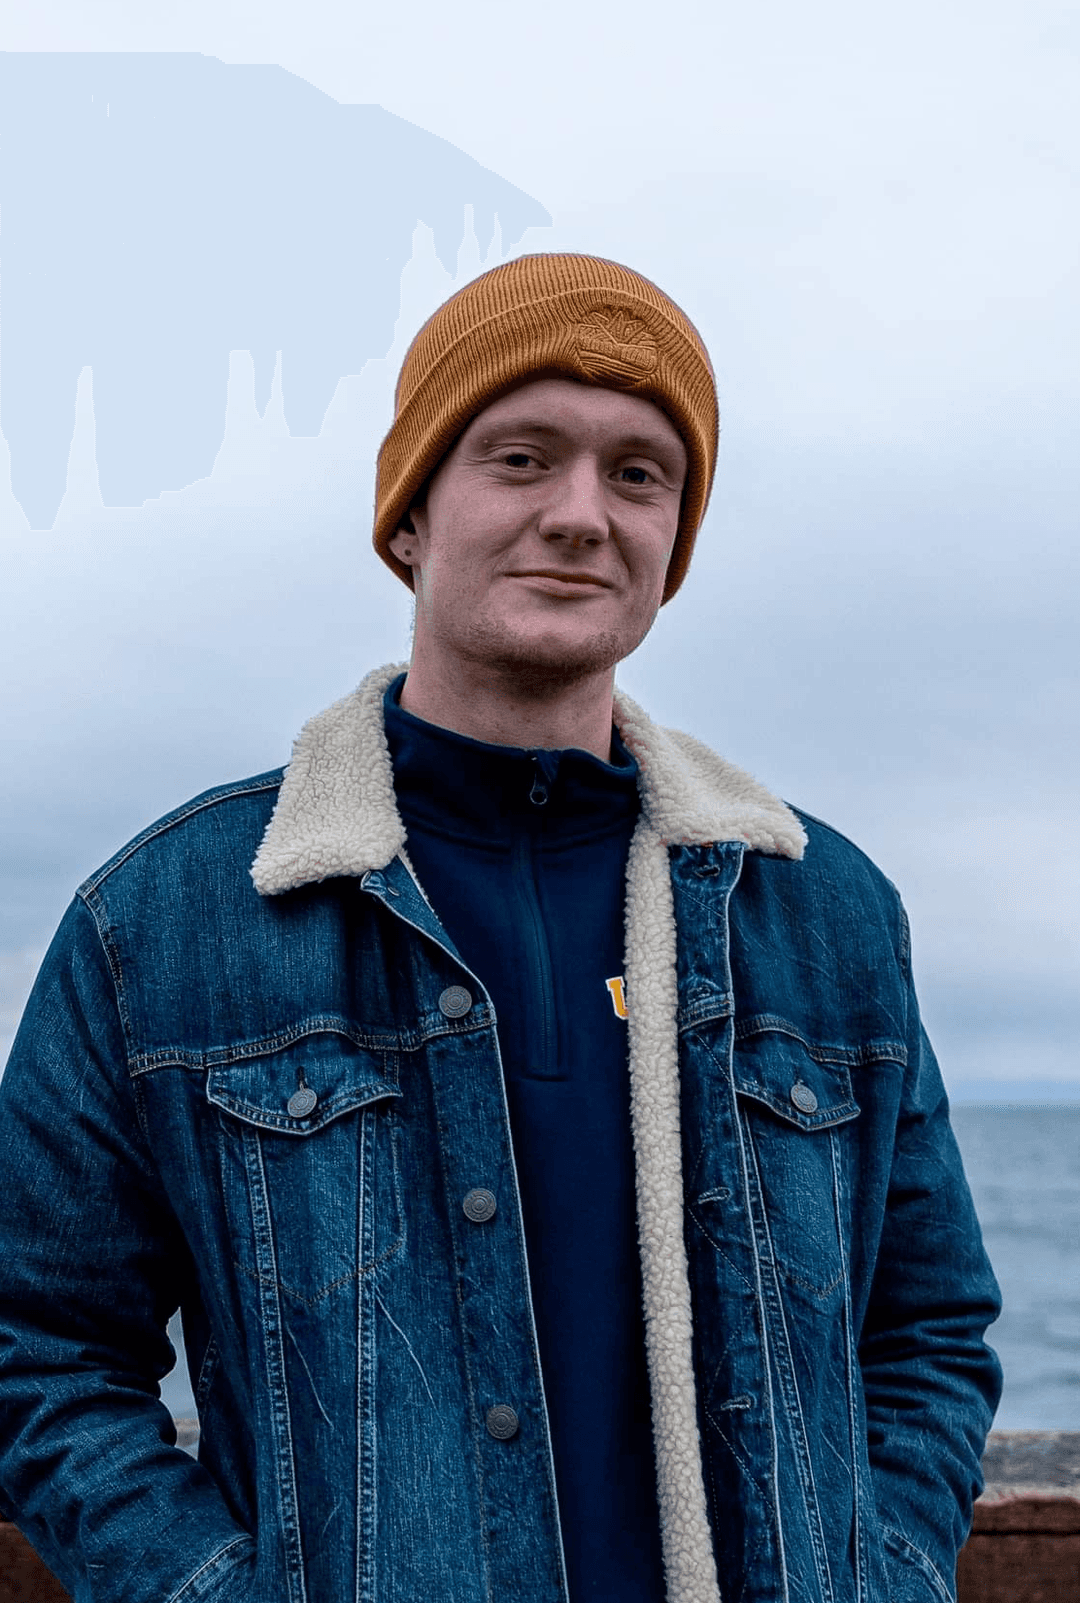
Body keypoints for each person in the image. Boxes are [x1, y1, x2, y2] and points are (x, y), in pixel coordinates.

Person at [0, 254, 1001, 1603]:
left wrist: (879, 1575)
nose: (582, 515)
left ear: (674, 545)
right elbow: (37, 1347)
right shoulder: (166, 922)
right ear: (410, 514)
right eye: (522, 458)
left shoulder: (822, 912)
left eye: (640, 473)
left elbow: (928, 1331)